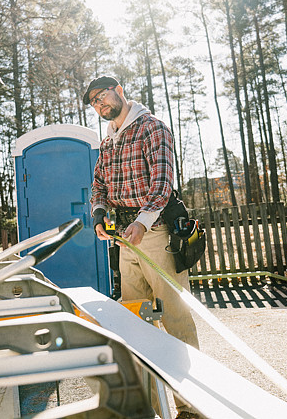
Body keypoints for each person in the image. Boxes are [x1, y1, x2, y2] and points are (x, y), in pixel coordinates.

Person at [84, 76, 201, 419]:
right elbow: (98, 186)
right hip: (124, 237)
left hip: (155, 232)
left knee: (174, 317)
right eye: (92, 102)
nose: (98, 104)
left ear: (119, 91)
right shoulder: (108, 142)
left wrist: (143, 221)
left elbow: (162, 183)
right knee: (136, 319)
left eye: (101, 96)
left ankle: (190, 406)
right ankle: (150, 407)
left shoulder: (153, 128)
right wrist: (99, 216)